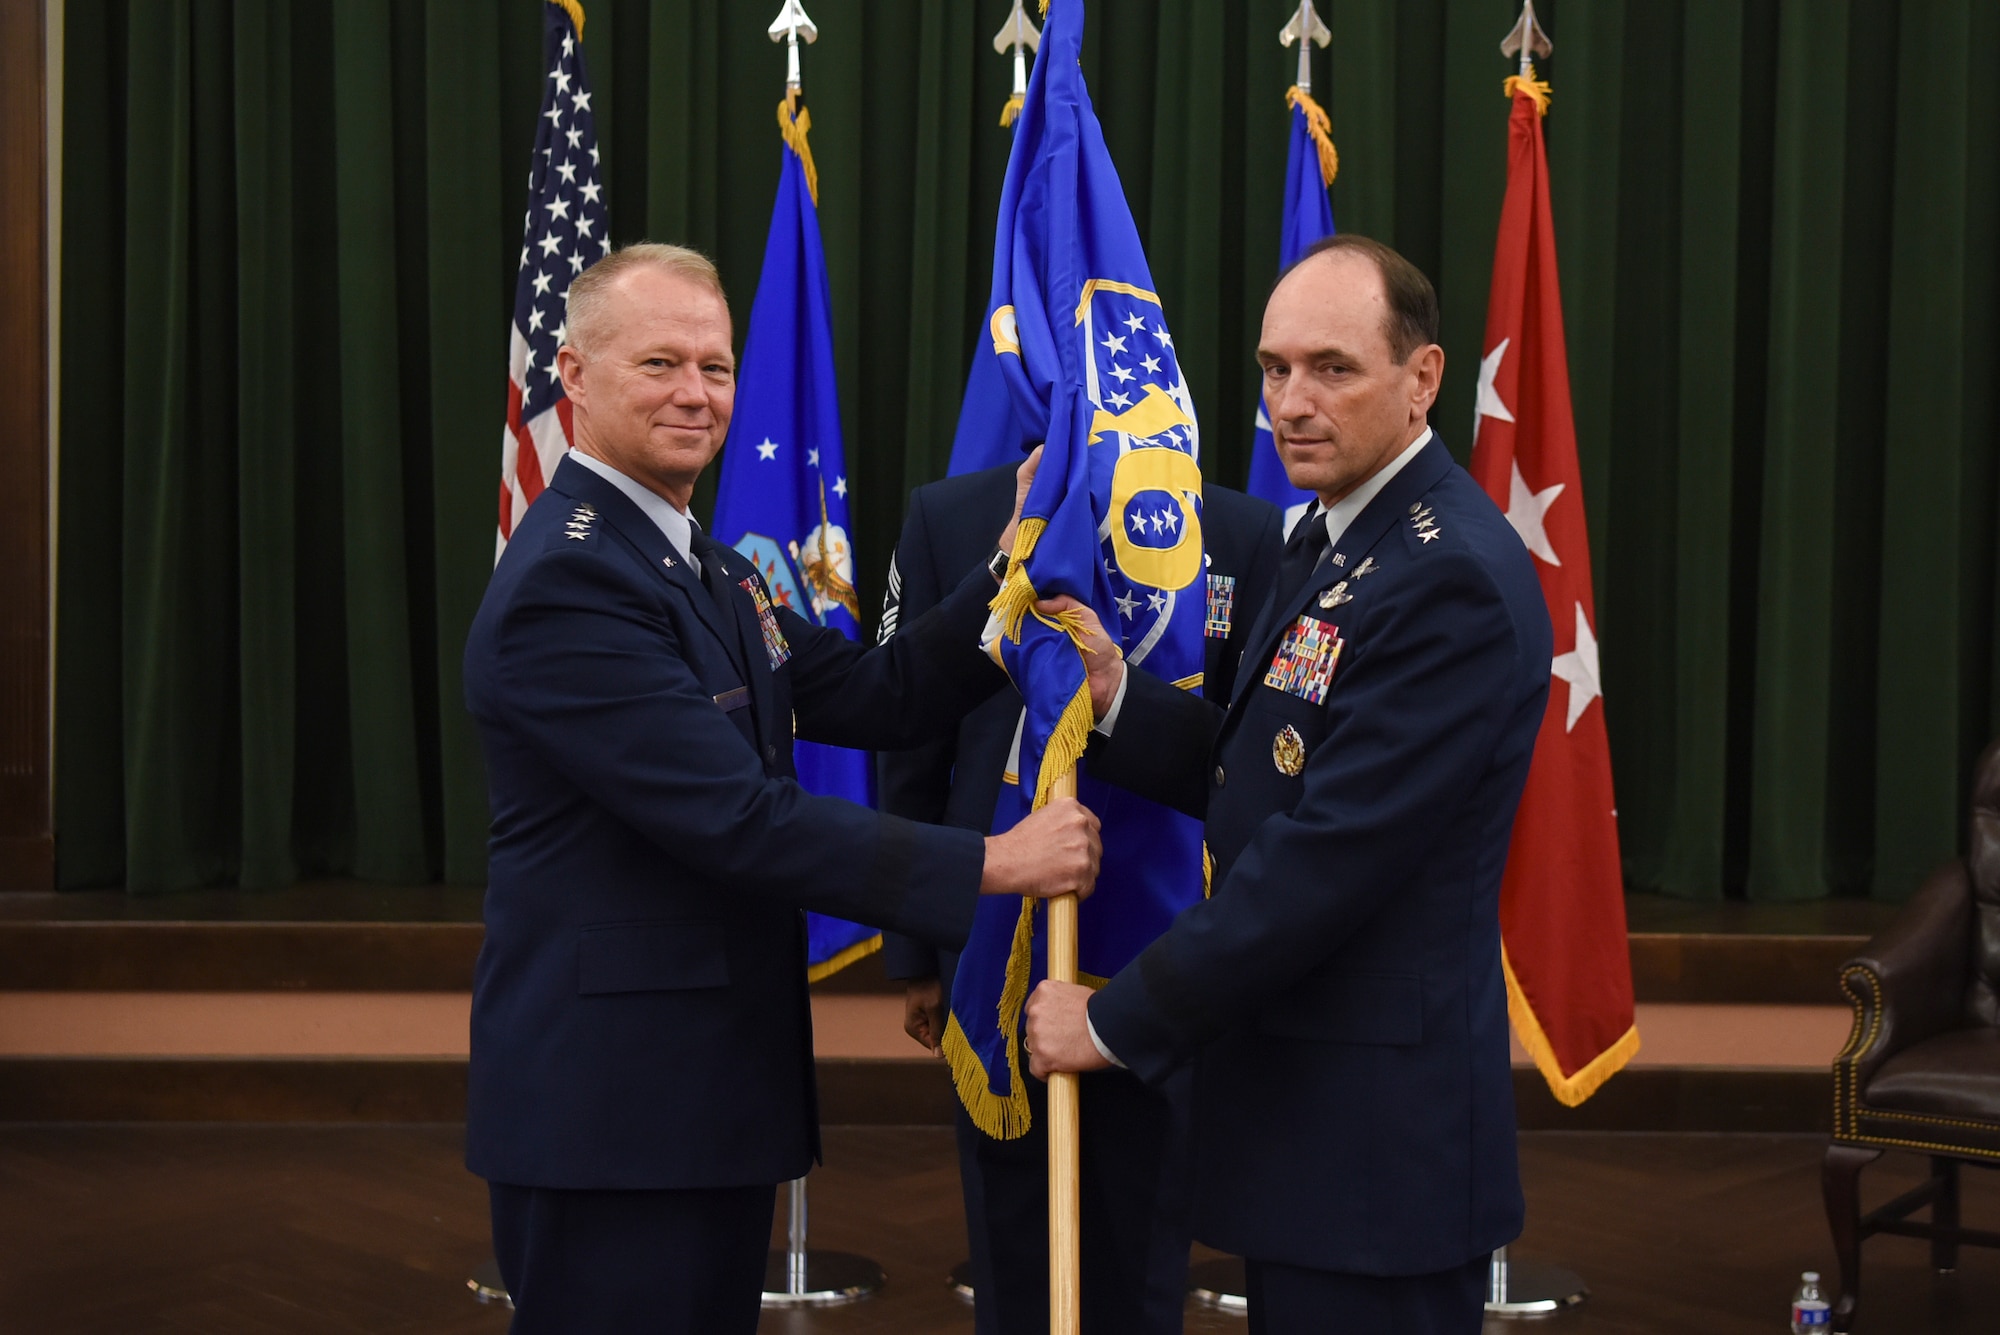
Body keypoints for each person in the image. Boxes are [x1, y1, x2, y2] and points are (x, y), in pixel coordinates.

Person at [460, 242, 1103, 1335]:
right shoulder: (570, 580)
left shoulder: (703, 564)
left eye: (713, 368)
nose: (694, 393)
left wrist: (1005, 577)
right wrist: (994, 865)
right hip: (612, 1109)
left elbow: (874, 690)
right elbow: (738, 818)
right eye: (659, 363)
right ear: (573, 376)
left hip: (696, 1091)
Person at [1024, 233, 1554, 1335]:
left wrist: (1115, 1019)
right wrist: (1118, 695)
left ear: (1422, 380)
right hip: (1312, 1128)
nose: (1290, 404)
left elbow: (1318, 863)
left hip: (1376, 1151)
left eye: (1330, 368)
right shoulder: (1325, 536)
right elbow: (1265, 766)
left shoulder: (1442, 573)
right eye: (1273, 371)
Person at [877, 464, 1283, 1334]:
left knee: (1142, 1254)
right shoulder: (952, 515)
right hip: (995, 938)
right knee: (1014, 1243)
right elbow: (911, 738)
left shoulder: (1240, 528)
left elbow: (1244, 759)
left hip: (1167, 948)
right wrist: (915, 949)